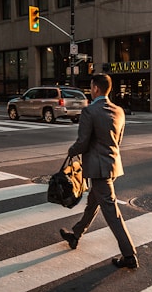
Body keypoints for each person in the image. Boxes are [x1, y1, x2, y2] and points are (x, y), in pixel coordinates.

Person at [59, 73, 138, 269]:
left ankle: (129, 255)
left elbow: (83, 142)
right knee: (93, 203)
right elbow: (117, 141)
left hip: (97, 168)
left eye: (91, 87)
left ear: (96, 88)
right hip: (112, 165)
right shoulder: (119, 111)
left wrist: (72, 150)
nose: (90, 90)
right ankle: (75, 235)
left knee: (112, 212)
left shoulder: (90, 111)